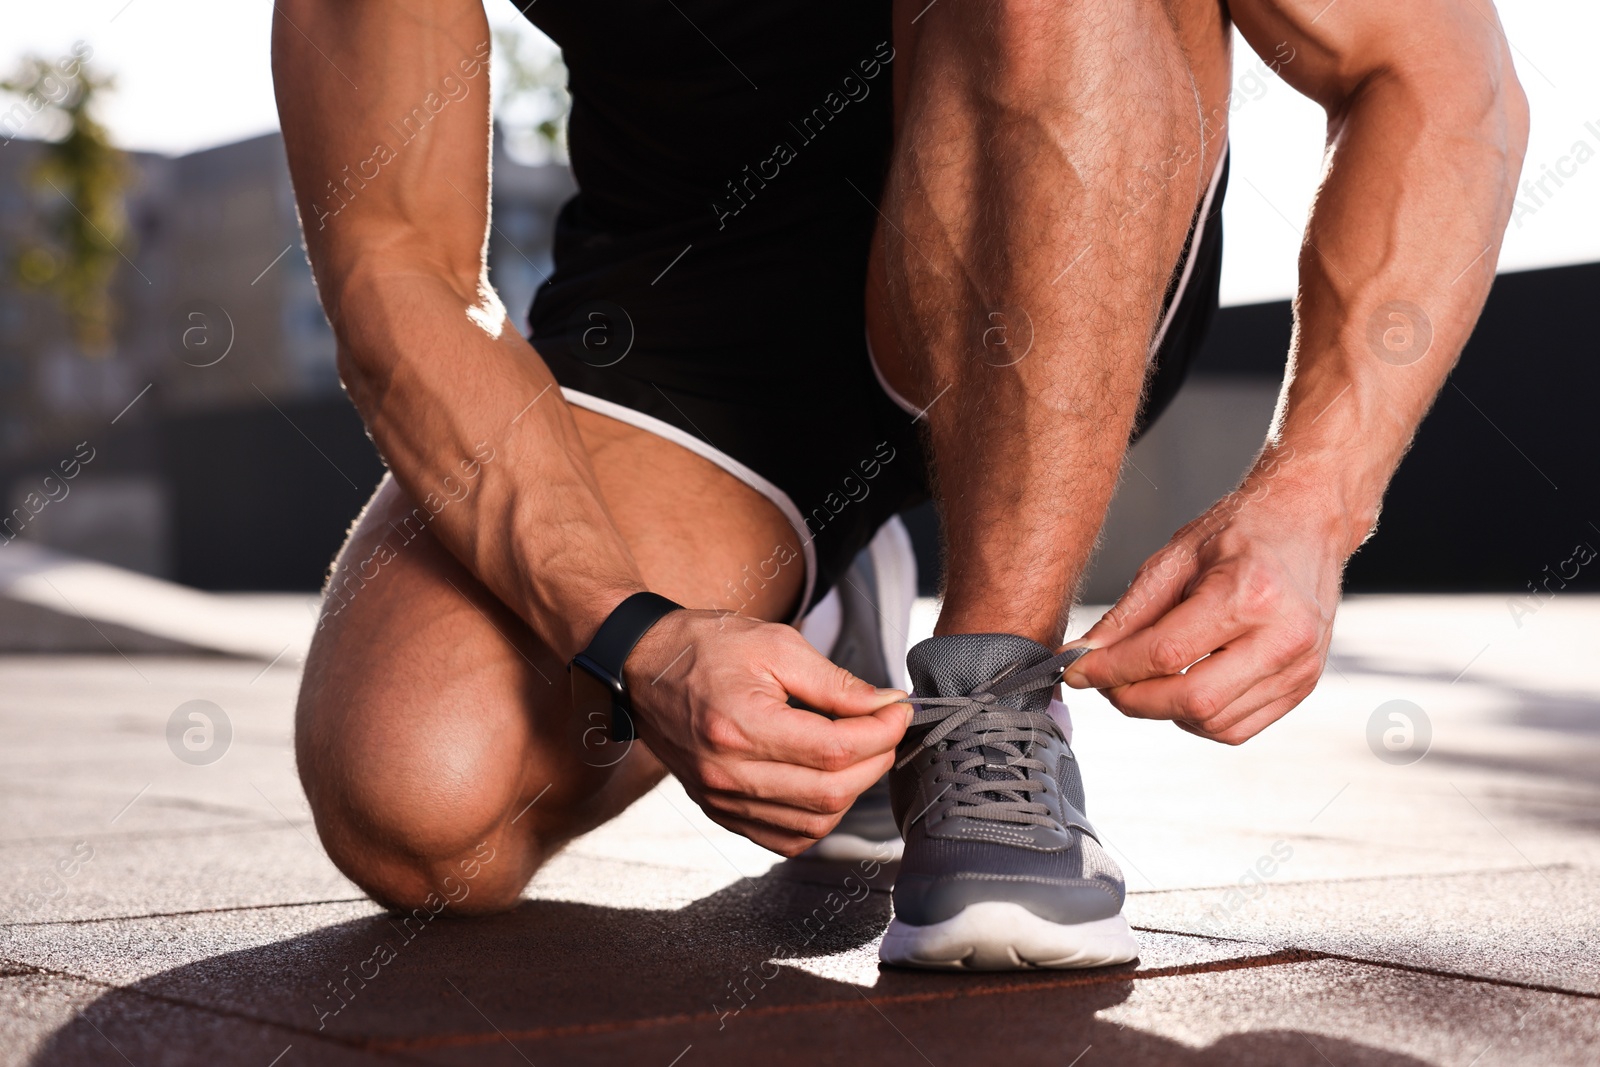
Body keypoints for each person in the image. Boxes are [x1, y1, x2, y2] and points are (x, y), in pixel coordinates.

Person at [273, 0, 1527, 969]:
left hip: (1068, 202)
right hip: (699, 305)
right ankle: (823, 607)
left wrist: (1315, 494)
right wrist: (632, 634)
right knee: (422, 796)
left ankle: (996, 699)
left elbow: (1436, 76)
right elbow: (397, 262)